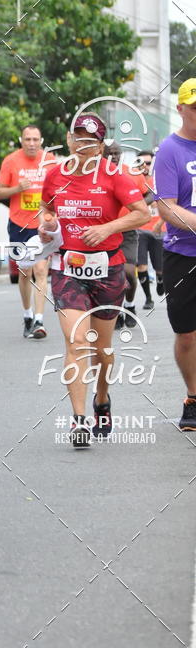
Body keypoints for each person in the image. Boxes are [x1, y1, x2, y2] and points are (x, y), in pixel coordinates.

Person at [39, 113, 149, 448]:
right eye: (78, 139)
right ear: (69, 140)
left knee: (102, 350)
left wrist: (107, 228)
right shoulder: (55, 175)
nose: (83, 146)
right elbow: (46, 209)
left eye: (91, 141)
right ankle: (78, 420)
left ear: (101, 146)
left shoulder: (116, 176)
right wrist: (47, 226)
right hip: (67, 268)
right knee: (76, 343)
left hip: (108, 269)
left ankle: (102, 397)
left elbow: (142, 212)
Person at [152, 78, 196, 430]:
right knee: (187, 334)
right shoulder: (170, 150)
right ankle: (193, 396)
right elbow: (166, 208)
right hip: (183, 255)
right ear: (180, 109)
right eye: (194, 107)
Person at [0, 125, 56, 339]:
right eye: (27, 139)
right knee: (25, 272)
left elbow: (59, 191)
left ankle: (39, 321)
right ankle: (27, 314)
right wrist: (16, 189)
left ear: (41, 141)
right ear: (21, 140)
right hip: (18, 224)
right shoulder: (11, 161)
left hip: (42, 226)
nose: (31, 143)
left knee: (40, 271)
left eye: (35, 139)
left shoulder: (50, 161)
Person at [102, 142, 152, 329]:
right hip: (105, 232)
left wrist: (138, 205)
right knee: (111, 276)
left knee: (129, 273)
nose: (113, 156)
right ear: (102, 154)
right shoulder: (96, 174)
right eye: (110, 153)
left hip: (128, 231)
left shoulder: (131, 173)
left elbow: (150, 194)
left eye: (117, 153)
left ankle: (130, 306)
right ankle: (116, 311)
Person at [135, 149, 164, 308]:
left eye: (148, 163)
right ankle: (148, 298)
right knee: (141, 265)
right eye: (141, 163)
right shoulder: (133, 180)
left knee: (160, 268)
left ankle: (160, 280)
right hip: (139, 229)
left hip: (159, 228)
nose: (144, 166)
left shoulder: (161, 178)